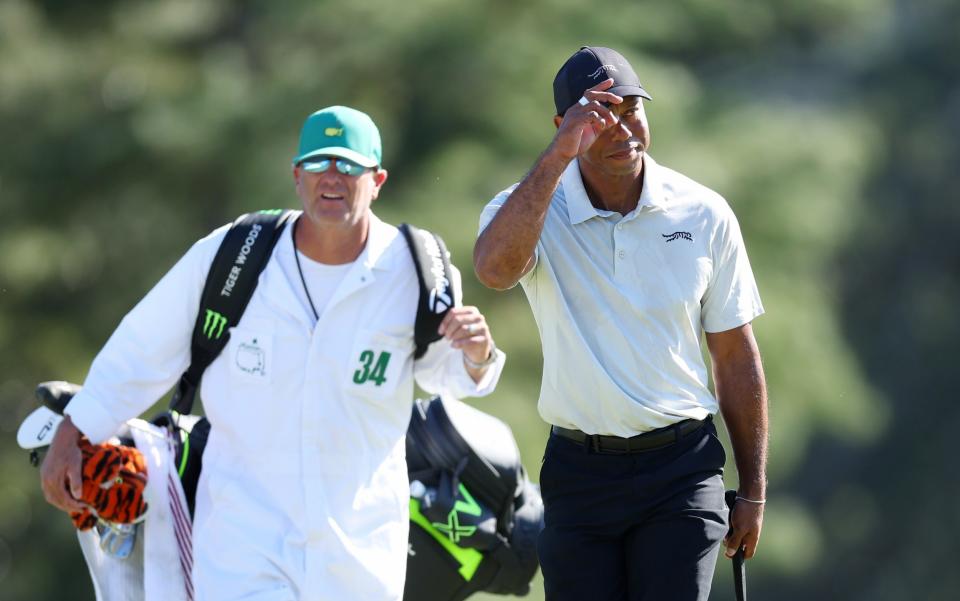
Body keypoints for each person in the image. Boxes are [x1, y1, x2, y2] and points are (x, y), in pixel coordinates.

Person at [41, 105, 506, 601]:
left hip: (358, 550)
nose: (333, 177)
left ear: (378, 180)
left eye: (350, 166)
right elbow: (140, 350)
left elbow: (448, 376)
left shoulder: (418, 269)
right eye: (319, 164)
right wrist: (75, 431)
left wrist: (476, 355)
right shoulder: (234, 255)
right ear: (296, 175)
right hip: (242, 543)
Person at [474, 47, 768, 601]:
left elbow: (734, 357)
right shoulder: (531, 208)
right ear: (563, 127)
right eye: (599, 115)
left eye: (632, 109)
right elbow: (494, 270)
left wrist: (753, 490)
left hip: (682, 470)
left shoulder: (703, 213)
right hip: (579, 474)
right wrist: (560, 157)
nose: (623, 127)